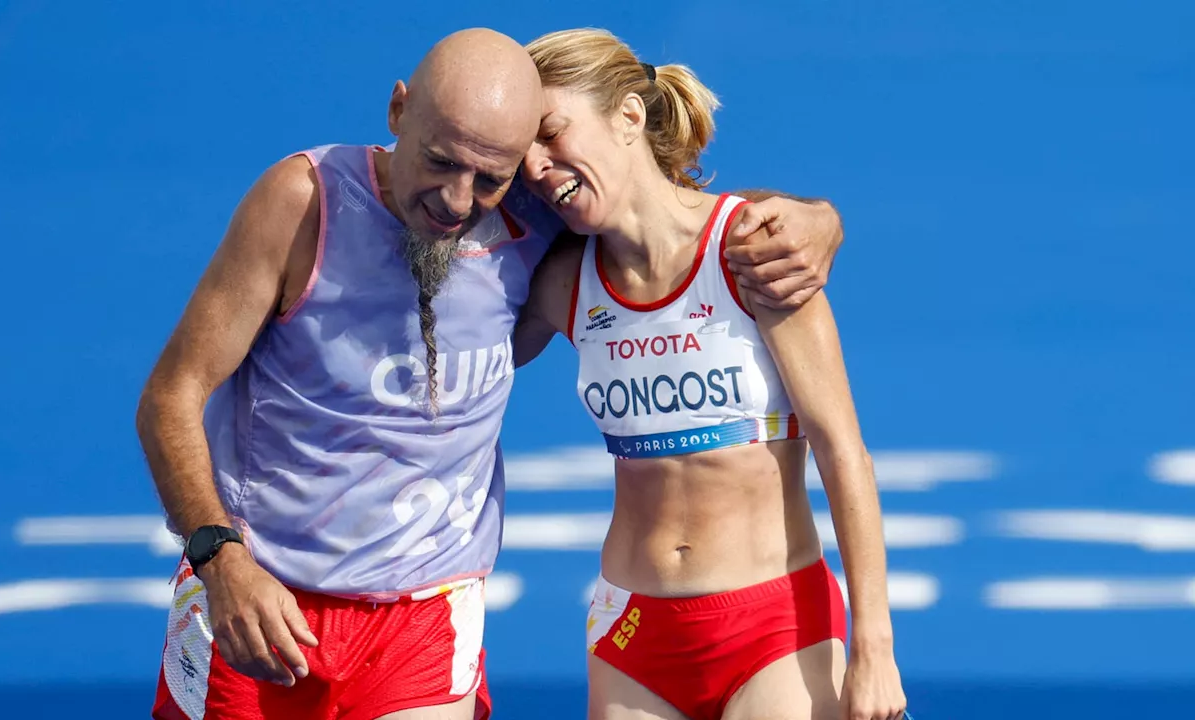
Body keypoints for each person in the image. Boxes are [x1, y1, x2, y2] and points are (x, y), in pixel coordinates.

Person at [136, 26, 848, 720]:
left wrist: (815, 220)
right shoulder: (304, 203)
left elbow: (670, 217)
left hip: (428, 616)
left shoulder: (536, 218)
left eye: (489, 178)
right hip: (260, 600)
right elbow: (171, 395)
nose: (455, 199)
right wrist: (220, 559)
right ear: (397, 111)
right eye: (440, 163)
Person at [515, 28, 907, 720]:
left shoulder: (754, 250)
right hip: (632, 631)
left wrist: (876, 649)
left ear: (629, 116)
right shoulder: (561, 282)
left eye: (551, 133)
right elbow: (454, 366)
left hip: (775, 626)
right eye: (524, 156)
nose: (539, 167)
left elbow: (844, 452)